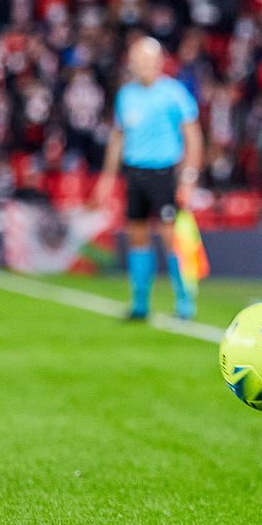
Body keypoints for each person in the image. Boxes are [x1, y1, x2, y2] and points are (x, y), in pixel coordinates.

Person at [94, 37, 204, 320]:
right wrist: (107, 177)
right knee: (137, 236)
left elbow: (193, 136)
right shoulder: (126, 95)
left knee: (170, 237)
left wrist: (189, 177)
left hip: (164, 173)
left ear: (159, 61)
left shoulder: (173, 93)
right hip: (135, 172)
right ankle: (140, 302)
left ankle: (184, 300)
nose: (143, 65)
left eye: (148, 59)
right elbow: (117, 138)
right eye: (137, 59)